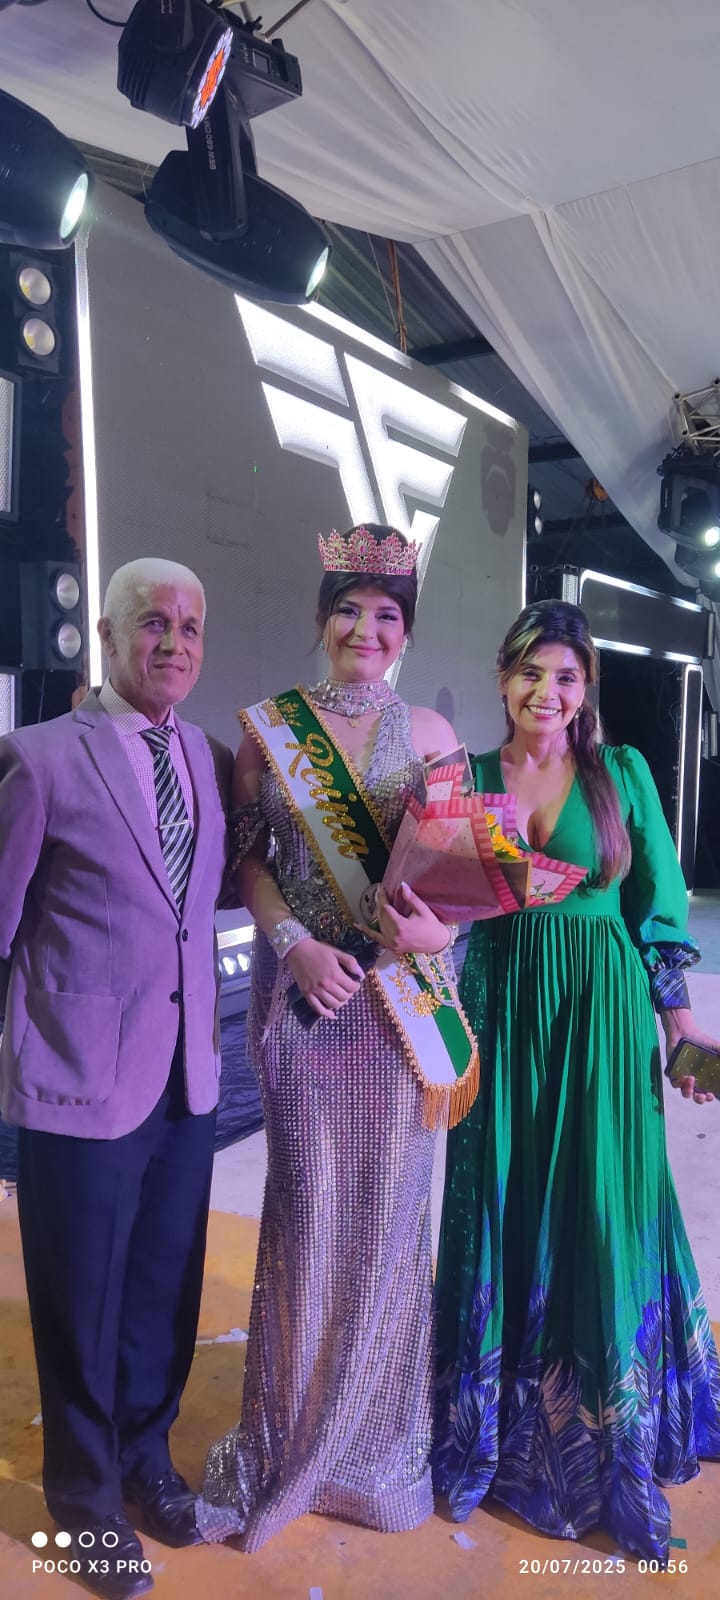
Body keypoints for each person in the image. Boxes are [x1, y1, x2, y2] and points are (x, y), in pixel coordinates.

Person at [197, 523, 478, 1551]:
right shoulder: (270, 730)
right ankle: (290, 1433)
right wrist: (295, 946)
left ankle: (369, 1446)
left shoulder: (434, 737)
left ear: (405, 631)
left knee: (390, 1223)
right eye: (349, 611)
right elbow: (249, 862)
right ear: (323, 619)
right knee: (307, 1215)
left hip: (400, 1014)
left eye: (386, 615)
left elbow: (462, 882)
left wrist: (439, 932)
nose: (366, 630)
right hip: (308, 1005)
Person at [432, 598, 720, 1563]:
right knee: (505, 1201)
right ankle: (494, 1430)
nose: (546, 692)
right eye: (529, 672)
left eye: (565, 676)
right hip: (501, 1014)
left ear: (585, 686)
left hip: (601, 1018)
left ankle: (610, 1441)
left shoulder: (621, 774)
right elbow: (431, 902)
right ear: (503, 677)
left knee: (605, 1211)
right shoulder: (467, 779)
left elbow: (656, 908)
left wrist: (681, 1027)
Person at [0, 558, 234, 1600]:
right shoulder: (39, 759)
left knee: (162, 1291)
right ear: (104, 633)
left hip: (187, 1080)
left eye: (190, 626)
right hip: (77, 1077)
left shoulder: (210, 760)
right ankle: (86, 1504)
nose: (173, 642)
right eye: (152, 622)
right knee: (79, 1301)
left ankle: (147, 1461)